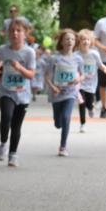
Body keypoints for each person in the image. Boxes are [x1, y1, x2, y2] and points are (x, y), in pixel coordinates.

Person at [0, 19, 37, 167]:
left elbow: (31, 75)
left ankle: (13, 154)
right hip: (6, 90)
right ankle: (3, 143)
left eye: (18, 31)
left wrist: (19, 68)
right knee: (6, 116)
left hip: (23, 94)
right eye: (12, 30)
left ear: (25, 34)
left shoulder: (29, 52)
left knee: (16, 125)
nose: (15, 33)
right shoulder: (3, 49)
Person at [45, 29, 83, 157]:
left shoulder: (78, 58)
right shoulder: (55, 58)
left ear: (75, 42)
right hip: (57, 93)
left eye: (72, 39)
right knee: (58, 123)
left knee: (66, 117)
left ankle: (63, 146)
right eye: (67, 39)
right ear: (61, 41)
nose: (70, 41)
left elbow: (83, 75)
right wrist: (52, 87)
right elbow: (47, 76)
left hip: (70, 93)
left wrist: (78, 79)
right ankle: (58, 121)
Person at [76, 29, 106, 133]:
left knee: (89, 103)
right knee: (81, 102)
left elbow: (100, 65)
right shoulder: (76, 55)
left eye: (88, 39)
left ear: (91, 41)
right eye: (83, 39)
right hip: (79, 84)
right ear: (79, 41)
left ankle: (90, 108)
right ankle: (82, 124)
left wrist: (105, 69)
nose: (85, 41)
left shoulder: (94, 54)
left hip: (91, 84)